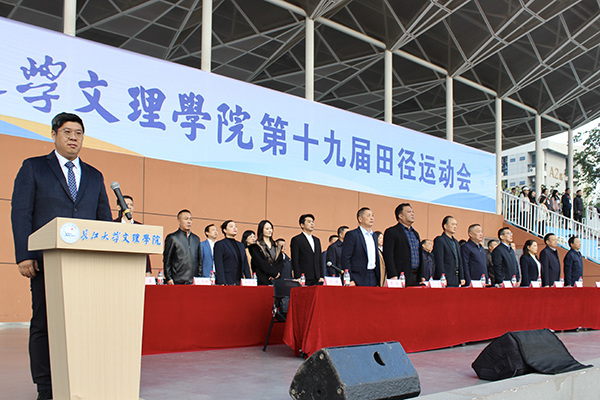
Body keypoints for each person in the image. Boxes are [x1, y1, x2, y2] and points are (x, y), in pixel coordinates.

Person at [11, 112, 113, 400]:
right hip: (46, 262)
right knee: (44, 324)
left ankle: (79, 380)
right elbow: (21, 212)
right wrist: (24, 254)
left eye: (78, 133)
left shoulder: (94, 175)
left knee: (83, 324)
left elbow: (103, 220)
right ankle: (46, 387)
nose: (73, 138)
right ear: (54, 134)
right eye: (67, 132)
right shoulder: (33, 167)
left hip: (86, 265)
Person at [383, 203, 423, 286]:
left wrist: (422, 275)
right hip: (400, 276)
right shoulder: (391, 232)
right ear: (400, 216)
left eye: (413, 212)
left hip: (416, 276)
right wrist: (393, 274)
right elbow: (388, 255)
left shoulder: (415, 234)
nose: (412, 214)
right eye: (409, 212)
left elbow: (420, 255)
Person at [341, 207, 381, 286]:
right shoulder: (352, 235)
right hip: (357, 277)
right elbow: (345, 258)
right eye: (368, 216)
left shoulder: (374, 236)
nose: (372, 218)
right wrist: (350, 278)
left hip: (373, 275)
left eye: (372, 216)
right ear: (360, 219)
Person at [113, 194, 152, 275]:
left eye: (131, 205)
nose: (129, 207)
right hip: (116, 266)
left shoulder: (140, 227)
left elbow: (145, 250)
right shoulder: (112, 225)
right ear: (118, 207)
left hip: (135, 267)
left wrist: (147, 271)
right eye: (126, 205)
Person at [162, 209, 202, 285]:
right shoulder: (173, 238)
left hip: (194, 281)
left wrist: (199, 277)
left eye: (191, 219)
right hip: (177, 280)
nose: (189, 221)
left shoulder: (196, 239)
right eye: (186, 219)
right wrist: (168, 278)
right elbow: (167, 260)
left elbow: (199, 260)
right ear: (179, 220)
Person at [214, 220, 251, 285]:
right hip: (227, 280)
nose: (234, 228)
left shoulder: (241, 245)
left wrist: (249, 280)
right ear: (225, 230)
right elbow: (219, 265)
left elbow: (245, 264)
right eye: (231, 226)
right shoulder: (220, 244)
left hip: (239, 280)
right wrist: (222, 282)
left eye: (235, 226)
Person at [290, 214, 323, 285]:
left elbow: (319, 259)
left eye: (313, 222)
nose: (312, 224)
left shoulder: (317, 240)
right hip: (304, 276)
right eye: (309, 222)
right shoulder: (297, 239)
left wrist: (321, 276)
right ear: (302, 225)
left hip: (317, 277)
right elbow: (295, 259)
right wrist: (298, 276)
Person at [248, 220, 283, 285]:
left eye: (271, 228)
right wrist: (273, 273)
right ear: (261, 230)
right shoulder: (255, 246)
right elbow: (260, 263)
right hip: (263, 279)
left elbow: (280, 262)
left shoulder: (276, 246)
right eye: (267, 229)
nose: (270, 231)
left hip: (276, 279)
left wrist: (276, 274)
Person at [433, 216, 464, 287]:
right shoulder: (440, 240)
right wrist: (442, 276)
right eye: (453, 224)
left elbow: (459, 260)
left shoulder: (456, 242)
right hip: (446, 278)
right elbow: (439, 260)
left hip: (456, 278)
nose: (455, 226)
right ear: (445, 226)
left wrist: (462, 277)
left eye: (456, 225)